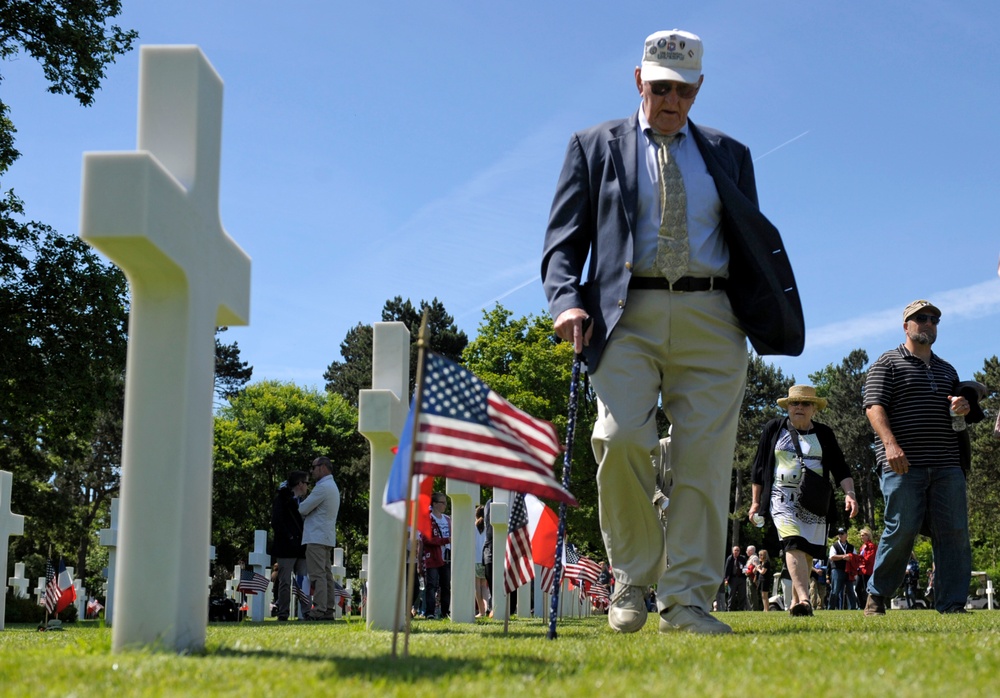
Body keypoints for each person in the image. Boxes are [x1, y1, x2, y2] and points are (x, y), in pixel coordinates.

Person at [541, 28, 804, 636]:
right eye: (661, 88)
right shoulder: (593, 146)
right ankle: (632, 576)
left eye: (684, 91)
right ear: (639, 81)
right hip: (624, 314)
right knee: (621, 437)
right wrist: (564, 301)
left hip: (713, 318)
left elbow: (746, 241)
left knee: (704, 462)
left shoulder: (729, 153)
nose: (672, 101)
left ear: (699, 89)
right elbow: (563, 243)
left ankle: (686, 601)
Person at [863, 300, 973, 616]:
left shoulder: (947, 369)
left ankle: (952, 603)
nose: (928, 323)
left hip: (947, 463)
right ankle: (878, 595)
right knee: (901, 529)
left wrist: (961, 409)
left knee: (954, 531)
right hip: (902, 463)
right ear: (906, 326)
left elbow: (957, 419)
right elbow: (874, 407)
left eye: (934, 319)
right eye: (920, 318)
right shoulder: (887, 363)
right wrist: (890, 445)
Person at [748, 384, 858, 617]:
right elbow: (758, 468)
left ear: (814, 409)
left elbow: (840, 467)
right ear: (787, 406)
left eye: (805, 403)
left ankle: (797, 603)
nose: (799, 407)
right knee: (793, 542)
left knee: (807, 552)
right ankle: (806, 599)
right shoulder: (773, 429)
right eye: (794, 403)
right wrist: (756, 502)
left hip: (815, 501)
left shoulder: (824, 433)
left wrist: (850, 494)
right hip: (782, 499)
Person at [299, 456, 341, 621]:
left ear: (323, 467)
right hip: (326, 536)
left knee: (317, 575)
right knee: (326, 576)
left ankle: (319, 610)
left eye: (314, 467)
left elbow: (303, 509)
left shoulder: (322, 487)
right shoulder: (332, 486)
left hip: (316, 536)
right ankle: (328, 609)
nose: (312, 470)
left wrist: (302, 495)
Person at [270, 469, 308, 621]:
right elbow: (276, 522)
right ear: (299, 484)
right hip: (286, 548)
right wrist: (290, 537)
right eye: (306, 483)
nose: (307, 486)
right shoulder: (282, 499)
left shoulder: (304, 501)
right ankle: (283, 613)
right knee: (285, 582)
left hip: (301, 548)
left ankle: (305, 612)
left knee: (302, 581)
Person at [422, 492, 451, 619]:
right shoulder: (427, 519)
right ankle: (430, 612)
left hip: (447, 557)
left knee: (446, 586)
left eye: (445, 502)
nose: (445, 505)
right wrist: (446, 540)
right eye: (442, 502)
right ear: (434, 504)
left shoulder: (448, 519)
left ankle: (445, 612)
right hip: (433, 557)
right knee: (431, 585)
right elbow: (427, 539)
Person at [828, 528, 858, 610]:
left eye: (842, 533)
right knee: (835, 590)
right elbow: (832, 557)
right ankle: (831, 608)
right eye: (839, 534)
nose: (840, 535)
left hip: (849, 571)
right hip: (837, 570)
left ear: (846, 535)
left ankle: (853, 607)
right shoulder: (834, 546)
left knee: (850, 590)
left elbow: (855, 558)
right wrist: (843, 557)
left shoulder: (851, 547)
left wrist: (850, 558)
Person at [474, 505, 491, 618]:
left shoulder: (473, 526)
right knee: (485, 586)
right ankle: (488, 607)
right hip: (485, 558)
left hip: (475, 559)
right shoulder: (488, 526)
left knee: (477, 586)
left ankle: (481, 611)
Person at [856, 527, 877, 608]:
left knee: (867, 589)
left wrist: (859, 558)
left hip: (867, 571)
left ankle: (869, 605)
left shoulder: (872, 546)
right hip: (860, 570)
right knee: (857, 588)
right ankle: (862, 605)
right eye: (861, 535)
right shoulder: (863, 546)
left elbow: (869, 559)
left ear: (868, 536)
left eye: (863, 535)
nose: (862, 537)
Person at [723, 546, 747, 612]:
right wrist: (726, 579)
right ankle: (729, 608)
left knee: (742, 594)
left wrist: (745, 575)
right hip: (732, 579)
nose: (736, 552)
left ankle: (741, 608)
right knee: (731, 594)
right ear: (732, 551)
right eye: (735, 550)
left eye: (738, 550)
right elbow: (726, 569)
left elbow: (745, 568)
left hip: (741, 578)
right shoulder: (730, 558)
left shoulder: (742, 558)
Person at [744, 545, 762, 611]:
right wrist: (745, 571)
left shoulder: (754, 558)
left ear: (751, 551)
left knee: (752, 594)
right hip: (748, 577)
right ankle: (751, 608)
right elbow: (745, 569)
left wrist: (753, 573)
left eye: (747, 550)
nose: (746, 551)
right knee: (749, 593)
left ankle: (754, 609)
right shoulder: (750, 558)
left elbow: (757, 567)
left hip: (752, 578)